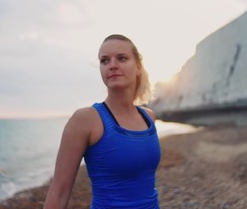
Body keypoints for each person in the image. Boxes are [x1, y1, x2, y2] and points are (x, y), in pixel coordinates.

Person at [44, 34, 161, 209]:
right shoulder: (86, 120)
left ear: (138, 66)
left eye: (121, 58)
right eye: (105, 60)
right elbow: (59, 191)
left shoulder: (148, 117)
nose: (112, 65)